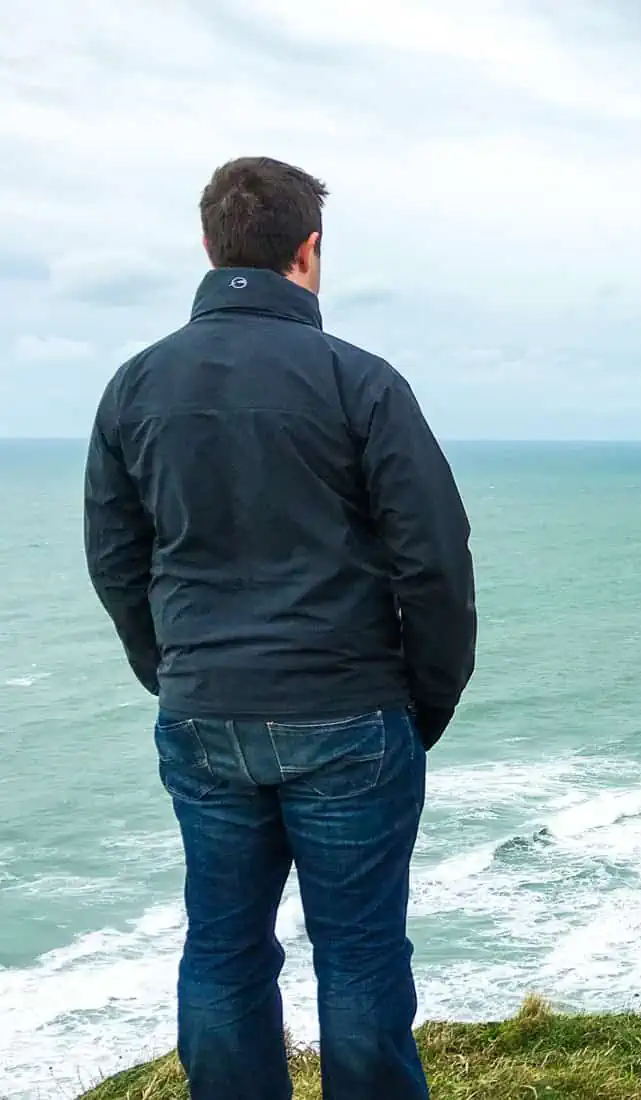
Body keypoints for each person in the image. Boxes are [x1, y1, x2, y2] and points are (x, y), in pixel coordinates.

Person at [84, 156, 476, 1100]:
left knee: (222, 948)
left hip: (205, 710)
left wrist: (176, 670)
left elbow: (114, 557)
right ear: (308, 251)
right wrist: (423, 700)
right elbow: (434, 557)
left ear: (210, 245)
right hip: (347, 710)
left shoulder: (134, 385)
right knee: (360, 956)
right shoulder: (360, 380)